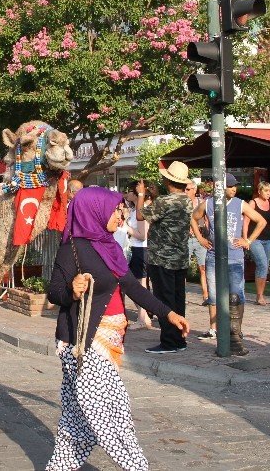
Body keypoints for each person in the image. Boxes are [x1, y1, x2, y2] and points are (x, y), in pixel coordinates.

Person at [46, 187, 189, 471]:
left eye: (121, 209)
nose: (120, 215)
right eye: (115, 209)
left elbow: (134, 288)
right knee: (111, 411)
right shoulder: (71, 249)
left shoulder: (110, 246)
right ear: (95, 211)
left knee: (76, 420)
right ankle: (136, 466)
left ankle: (60, 467)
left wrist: (168, 313)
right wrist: (72, 292)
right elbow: (55, 292)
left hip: (110, 339)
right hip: (83, 342)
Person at [191, 174, 266, 355]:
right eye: (231, 186)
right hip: (213, 255)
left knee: (236, 295)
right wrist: (200, 238)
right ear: (220, 187)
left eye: (235, 186)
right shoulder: (208, 204)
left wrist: (247, 240)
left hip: (234, 256)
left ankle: (235, 331)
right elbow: (193, 218)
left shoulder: (239, 203)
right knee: (214, 295)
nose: (234, 189)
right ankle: (214, 328)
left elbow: (261, 221)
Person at [144, 162, 196, 354]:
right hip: (180, 258)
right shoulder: (187, 201)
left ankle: (169, 341)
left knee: (164, 301)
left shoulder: (163, 202)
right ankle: (180, 339)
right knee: (177, 300)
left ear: (168, 180)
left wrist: (142, 195)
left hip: (162, 259)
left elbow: (143, 216)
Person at [244, 181, 270, 305]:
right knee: (262, 264)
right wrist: (246, 239)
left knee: (265, 266)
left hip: (268, 239)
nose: (268, 193)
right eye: (266, 191)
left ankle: (260, 294)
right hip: (255, 239)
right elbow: (246, 221)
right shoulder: (253, 203)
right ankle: (260, 295)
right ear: (260, 191)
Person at [121, 181, 153, 330]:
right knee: (133, 285)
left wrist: (126, 227)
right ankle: (144, 317)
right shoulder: (134, 210)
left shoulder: (143, 210)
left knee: (138, 285)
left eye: (129, 191)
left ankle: (143, 319)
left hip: (141, 249)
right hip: (134, 248)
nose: (126, 194)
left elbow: (142, 235)